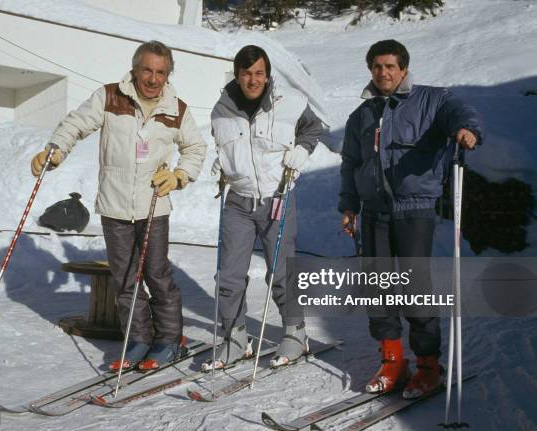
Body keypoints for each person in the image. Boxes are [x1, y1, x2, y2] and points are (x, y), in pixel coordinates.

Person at [31, 40, 206, 371]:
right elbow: (76, 123)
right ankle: (138, 338)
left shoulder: (176, 109)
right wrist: (55, 149)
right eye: (147, 70)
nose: (153, 79)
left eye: (161, 72)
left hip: (154, 205)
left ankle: (169, 339)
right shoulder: (110, 96)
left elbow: (196, 148)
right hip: (114, 206)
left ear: (168, 75)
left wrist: (180, 175)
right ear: (135, 68)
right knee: (125, 278)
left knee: (156, 274)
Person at [338, 39, 482, 399]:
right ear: (370, 70)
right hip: (373, 211)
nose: (383, 72)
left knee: (415, 286)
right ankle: (392, 360)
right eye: (377, 67)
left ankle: (428, 365)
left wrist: (467, 130)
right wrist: (349, 205)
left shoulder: (431, 100)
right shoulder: (362, 115)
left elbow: (459, 112)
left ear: (403, 68)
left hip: (414, 208)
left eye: (390, 66)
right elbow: (351, 164)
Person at [202, 45, 324, 371]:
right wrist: (224, 163)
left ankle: (296, 333)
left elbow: (314, 127)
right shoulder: (221, 109)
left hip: (277, 197)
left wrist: (302, 149)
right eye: (246, 73)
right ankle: (235, 337)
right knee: (228, 276)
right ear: (238, 75)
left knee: (281, 272)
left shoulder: (290, 103)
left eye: (258, 73)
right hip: (238, 201)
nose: (253, 79)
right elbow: (229, 144)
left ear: (266, 74)